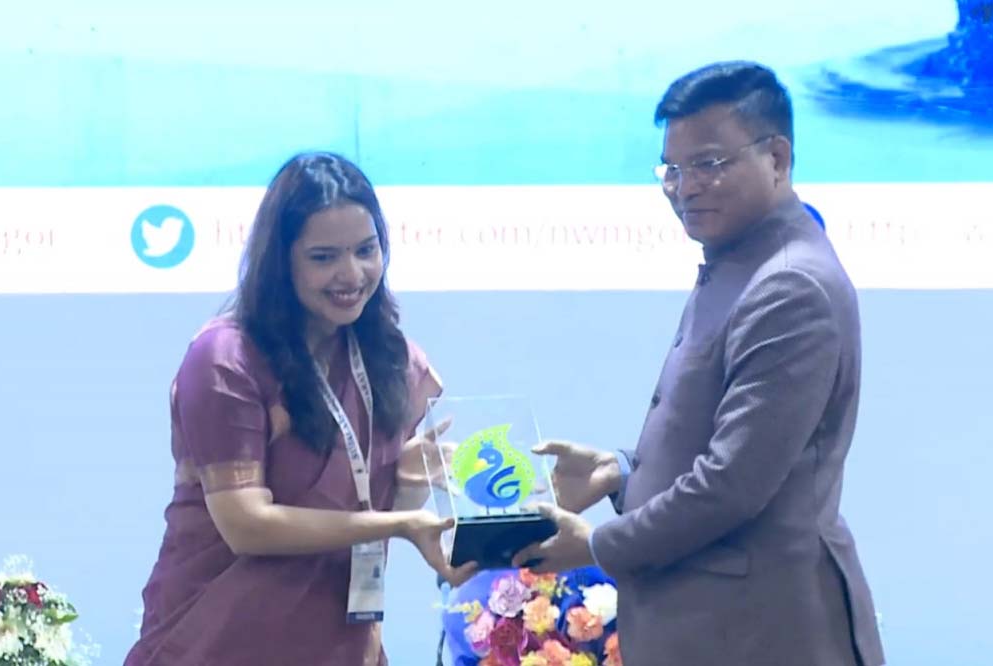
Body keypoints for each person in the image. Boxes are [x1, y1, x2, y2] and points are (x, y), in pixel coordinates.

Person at [513, 62, 886, 666]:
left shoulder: (788, 285)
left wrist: (600, 545)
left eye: (708, 164)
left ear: (777, 158)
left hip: (761, 634)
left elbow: (732, 484)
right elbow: (715, 439)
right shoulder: (738, 259)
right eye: (672, 169)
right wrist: (621, 471)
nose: (684, 188)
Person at [125, 152, 476, 666]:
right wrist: (397, 523)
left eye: (366, 250)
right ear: (280, 261)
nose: (351, 274)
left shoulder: (392, 359)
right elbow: (246, 525)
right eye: (323, 257)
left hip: (340, 639)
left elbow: (378, 507)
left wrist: (407, 479)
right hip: (218, 640)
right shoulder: (227, 359)